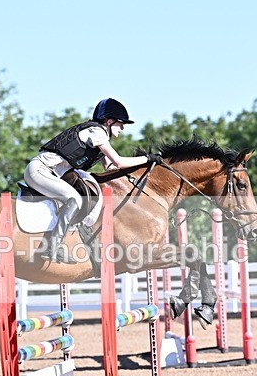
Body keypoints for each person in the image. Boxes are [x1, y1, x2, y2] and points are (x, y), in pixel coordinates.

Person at [24, 98, 158, 264]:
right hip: (40, 170)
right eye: (120, 123)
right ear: (108, 121)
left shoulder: (99, 138)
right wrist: (147, 159)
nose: (122, 128)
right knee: (74, 199)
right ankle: (52, 247)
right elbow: (118, 162)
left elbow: (110, 167)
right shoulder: (96, 132)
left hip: (49, 173)